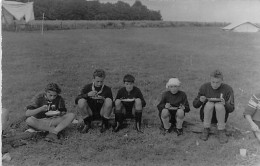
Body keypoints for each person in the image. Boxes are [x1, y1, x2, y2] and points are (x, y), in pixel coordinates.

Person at [193, 70, 234, 144]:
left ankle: (221, 130)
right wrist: (200, 100)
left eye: (217, 82)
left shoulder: (228, 89)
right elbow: (195, 105)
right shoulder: (204, 87)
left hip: (221, 118)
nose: (215, 84)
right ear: (210, 80)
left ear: (222, 80)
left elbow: (231, 108)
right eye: (213, 82)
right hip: (206, 116)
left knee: (219, 105)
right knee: (209, 104)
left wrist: (225, 104)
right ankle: (206, 128)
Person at [75, 69, 113, 133]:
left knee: (109, 100)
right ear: (93, 79)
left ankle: (104, 124)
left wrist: (104, 99)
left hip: (102, 112)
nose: (99, 83)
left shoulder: (107, 89)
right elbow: (76, 100)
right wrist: (87, 95)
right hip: (90, 112)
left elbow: (112, 104)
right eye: (97, 81)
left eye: (101, 81)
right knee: (81, 101)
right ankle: (87, 124)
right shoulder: (87, 87)